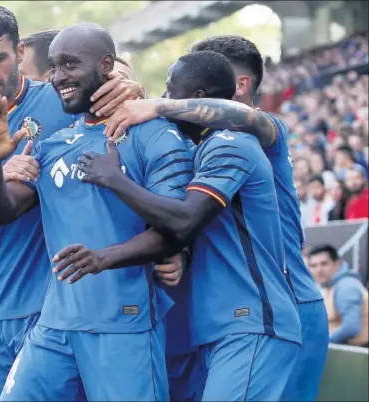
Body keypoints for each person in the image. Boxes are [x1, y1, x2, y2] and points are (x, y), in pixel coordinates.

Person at [0, 6, 144, 401]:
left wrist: (131, 88)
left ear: (20, 51)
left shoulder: (60, 100)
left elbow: (120, 94)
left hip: (60, 302)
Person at [101, 35, 329, 402]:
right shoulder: (199, 143)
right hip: (222, 312)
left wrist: (158, 105)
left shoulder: (255, 132)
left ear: (237, 85)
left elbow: (190, 214)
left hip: (281, 300)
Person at [0, 22, 193, 401]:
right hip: (54, 325)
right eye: (54, 68)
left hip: (124, 323)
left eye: (71, 65)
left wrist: (102, 259)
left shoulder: (155, 135)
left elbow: (177, 226)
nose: (59, 77)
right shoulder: (53, 144)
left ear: (106, 64)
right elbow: (0, 214)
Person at [309, 245, 368, 347]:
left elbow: (351, 327)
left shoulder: (346, 286)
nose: (319, 270)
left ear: (336, 264)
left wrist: (320, 344)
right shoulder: (328, 286)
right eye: (314, 266)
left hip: (359, 353)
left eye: (324, 264)